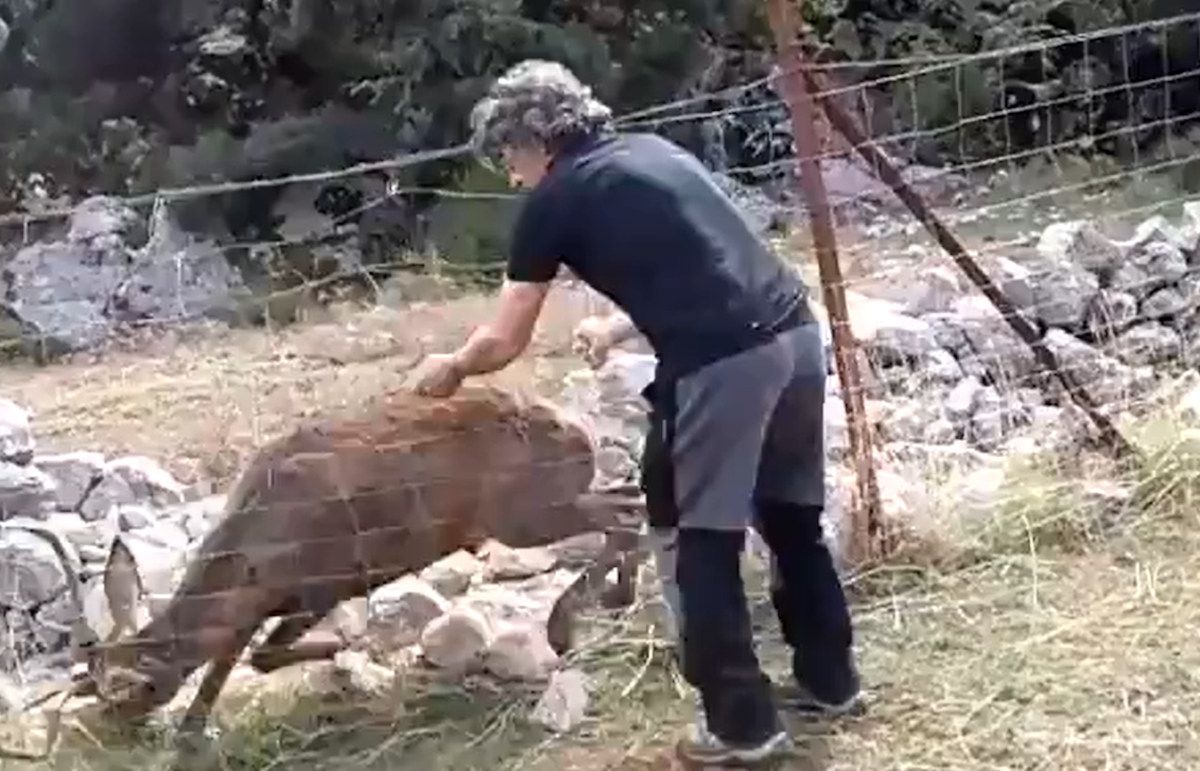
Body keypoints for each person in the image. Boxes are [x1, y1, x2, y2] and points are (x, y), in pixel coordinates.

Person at [411, 59, 862, 766]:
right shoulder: (654, 152)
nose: (510, 174)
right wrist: (621, 329)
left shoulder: (554, 200)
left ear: (535, 140)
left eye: (508, 155)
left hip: (722, 362)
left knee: (691, 532)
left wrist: (451, 368)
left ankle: (740, 727)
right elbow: (708, 257)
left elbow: (504, 338)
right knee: (790, 516)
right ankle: (830, 680)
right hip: (794, 334)